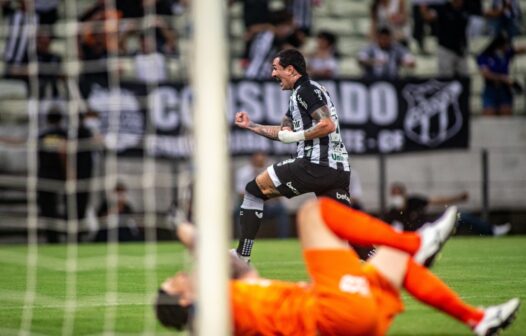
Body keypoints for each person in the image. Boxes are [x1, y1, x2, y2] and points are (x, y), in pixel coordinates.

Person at [155, 198, 520, 335]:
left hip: (355, 319)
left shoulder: (235, 294)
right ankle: (417, 242)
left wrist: (184, 231)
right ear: (185, 302)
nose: (180, 275)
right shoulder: (211, 317)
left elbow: (232, 265)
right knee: (314, 213)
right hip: (331, 312)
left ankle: (477, 320)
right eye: (175, 283)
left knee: (393, 261)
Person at [234, 48, 351, 262]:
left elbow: (327, 124)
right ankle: (387, 270)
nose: (272, 74)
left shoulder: (306, 90)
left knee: (253, 190)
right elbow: (284, 133)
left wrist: (297, 136)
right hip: (338, 170)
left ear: (290, 70)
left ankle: (242, 256)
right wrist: (251, 125)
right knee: (349, 231)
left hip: (314, 165)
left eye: (275, 69)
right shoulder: (305, 93)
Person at [385, 182, 512, 236]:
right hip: (420, 237)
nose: (397, 197)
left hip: (433, 226)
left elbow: (437, 200)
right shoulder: (392, 213)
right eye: (394, 194)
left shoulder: (414, 201)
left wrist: (458, 198)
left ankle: (492, 231)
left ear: (404, 193)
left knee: (459, 215)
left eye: (399, 193)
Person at [234, 152, 291, 239]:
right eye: (257, 158)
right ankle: (243, 239)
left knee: (281, 210)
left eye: (262, 158)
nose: (260, 160)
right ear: (252, 159)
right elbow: (240, 192)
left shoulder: (271, 171)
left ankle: (283, 239)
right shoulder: (243, 172)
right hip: (250, 205)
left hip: (268, 205)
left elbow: (278, 190)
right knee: (239, 211)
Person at [476, 33, 526, 116]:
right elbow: (486, 74)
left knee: (506, 115)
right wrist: (503, 79)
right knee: (489, 116)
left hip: (504, 89)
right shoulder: (484, 56)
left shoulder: (506, 54)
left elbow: (520, 50)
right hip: (491, 88)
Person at [37, 108, 67, 243]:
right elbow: (63, 152)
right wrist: (69, 171)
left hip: (44, 176)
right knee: (58, 208)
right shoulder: (62, 134)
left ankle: (52, 237)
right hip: (58, 176)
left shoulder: (43, 135)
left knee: (48, 209)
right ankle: (60, 237)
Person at [420, 0, 470, 77]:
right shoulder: (444, 8)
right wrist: (423, 7)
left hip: (461, 49)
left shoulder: (466, 8)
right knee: (446, 78)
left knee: (464, 77)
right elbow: (428, 17)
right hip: (446, 48)